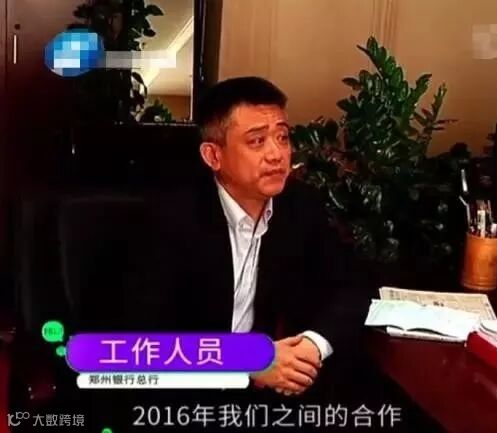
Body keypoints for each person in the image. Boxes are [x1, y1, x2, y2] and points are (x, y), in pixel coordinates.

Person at [129, 76, 368, 400]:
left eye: (282, 137)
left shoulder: (299, 205)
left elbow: (350, 288)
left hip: (259, 394)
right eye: (257, 141)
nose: (276, 154)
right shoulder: (168, 218)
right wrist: (248, 359)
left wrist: (313, 346)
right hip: (176, 396)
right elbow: (139, 342)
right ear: (213, 156)